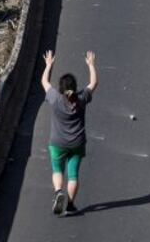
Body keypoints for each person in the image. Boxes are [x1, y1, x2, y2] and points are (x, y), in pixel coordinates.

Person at [42, 49, 98, 217]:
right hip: (77, 144)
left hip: (57, 143)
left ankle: (58, 191)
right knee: (73, 175)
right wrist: (91, 65)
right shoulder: (82, 98)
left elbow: (44, 81)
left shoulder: (55, 98)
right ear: (74, 87)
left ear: (61, 88)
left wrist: (49, 65)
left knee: (57, 170)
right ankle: (71, 205)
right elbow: (94, 83)